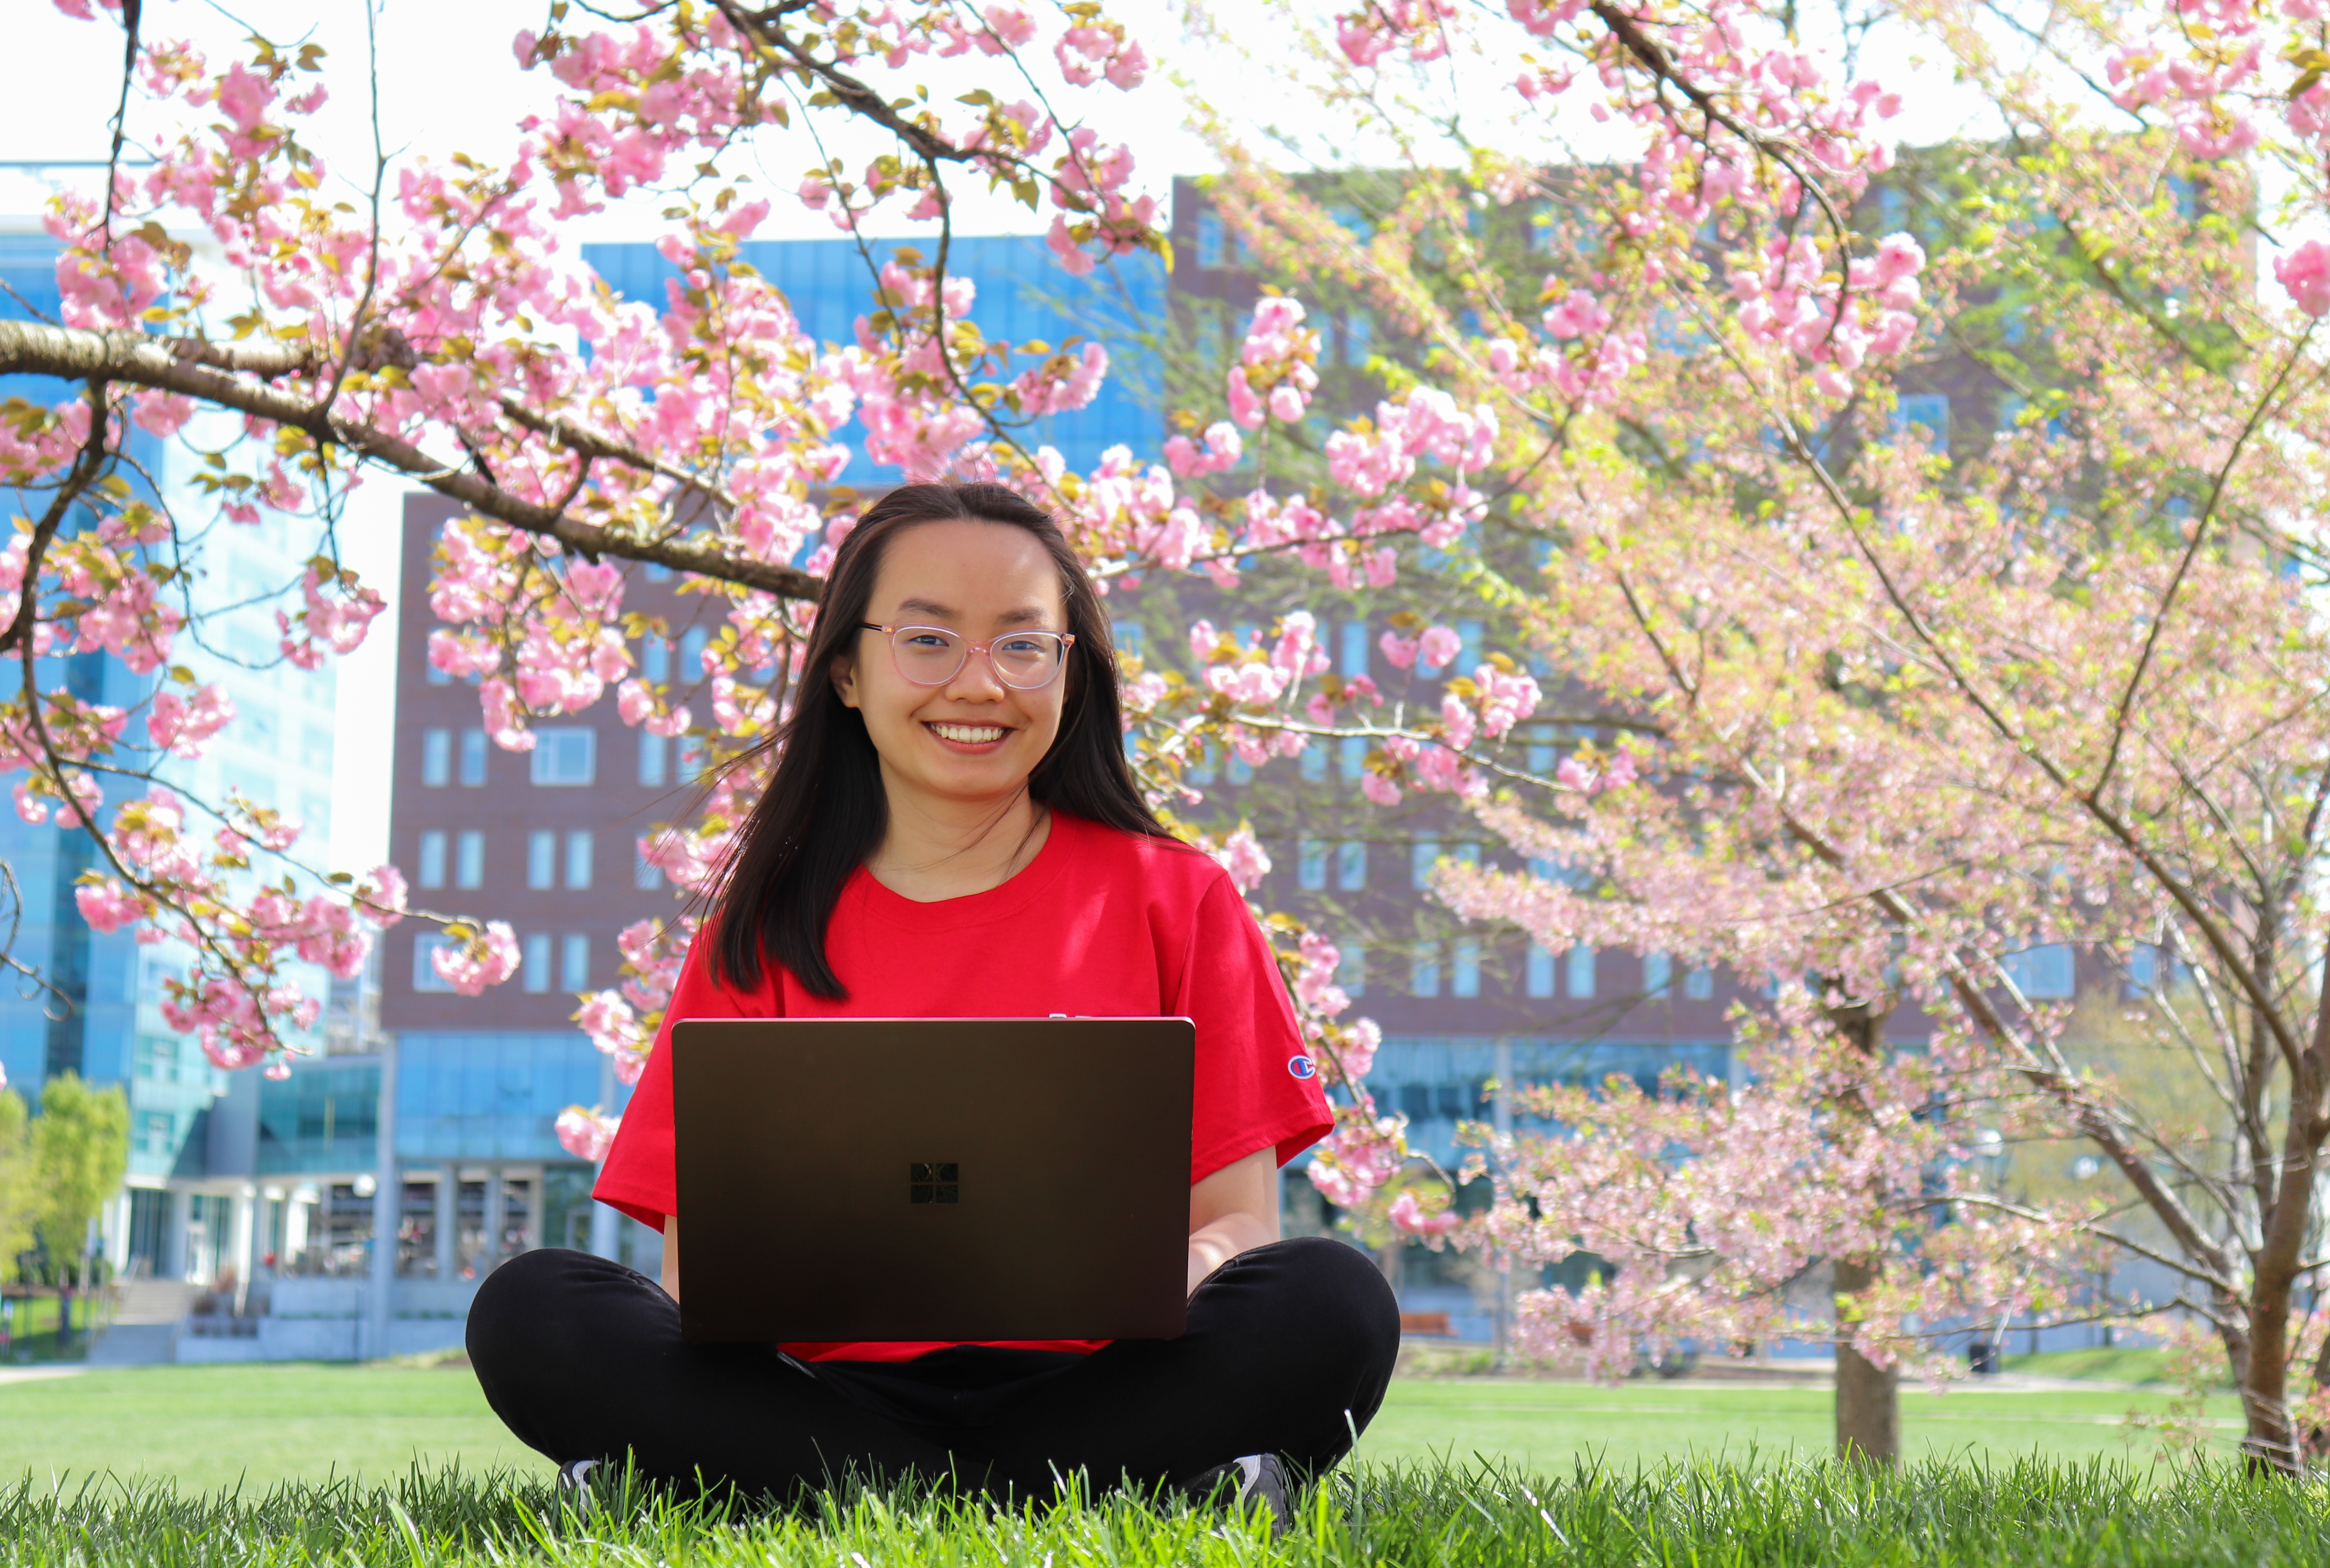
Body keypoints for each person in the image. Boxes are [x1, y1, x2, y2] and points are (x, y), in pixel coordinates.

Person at [466, 481, 1400, 1520]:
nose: (977, 683)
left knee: (1334, 1301)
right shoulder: (764, 923)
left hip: (1110, 1382)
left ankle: (771, 1489)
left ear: (1068, 672)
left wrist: (1177, 1263)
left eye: (1021, 645)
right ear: (847, 674)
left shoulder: (1178, 898)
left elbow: (1240, 1226)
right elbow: (700, 1282)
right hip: (820, 1395)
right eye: (927, 639)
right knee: (533, 1310)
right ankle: (1111, 1488)